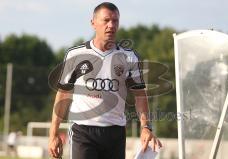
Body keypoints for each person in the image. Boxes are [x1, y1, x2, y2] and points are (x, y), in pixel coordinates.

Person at [48, 2, 162, 159]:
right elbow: (63, 95)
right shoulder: (75, 55)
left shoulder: (129, 57)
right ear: (93, 23)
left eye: (115, 21)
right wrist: (53, 133)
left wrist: (145, 126)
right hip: (83, 131)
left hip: (115, 132)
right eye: (106, 20)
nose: (111, 25)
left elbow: (140, 95)